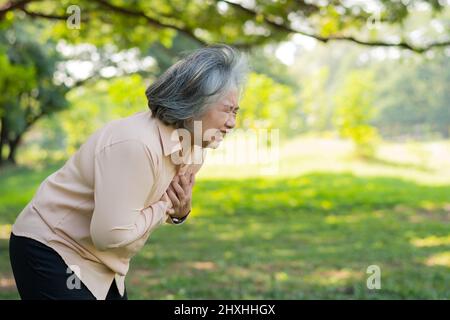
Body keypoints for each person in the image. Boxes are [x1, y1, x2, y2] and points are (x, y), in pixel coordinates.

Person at [9, 44, 248, 300]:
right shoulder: (136, 145)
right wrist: (165, 208)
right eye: (226, 110)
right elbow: (110, 235)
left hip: (104, 263)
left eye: (236, 112)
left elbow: (159, 205)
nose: (232, 123)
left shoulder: (195, 146)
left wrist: (180, 213)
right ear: (196, 103)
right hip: (53, 247)